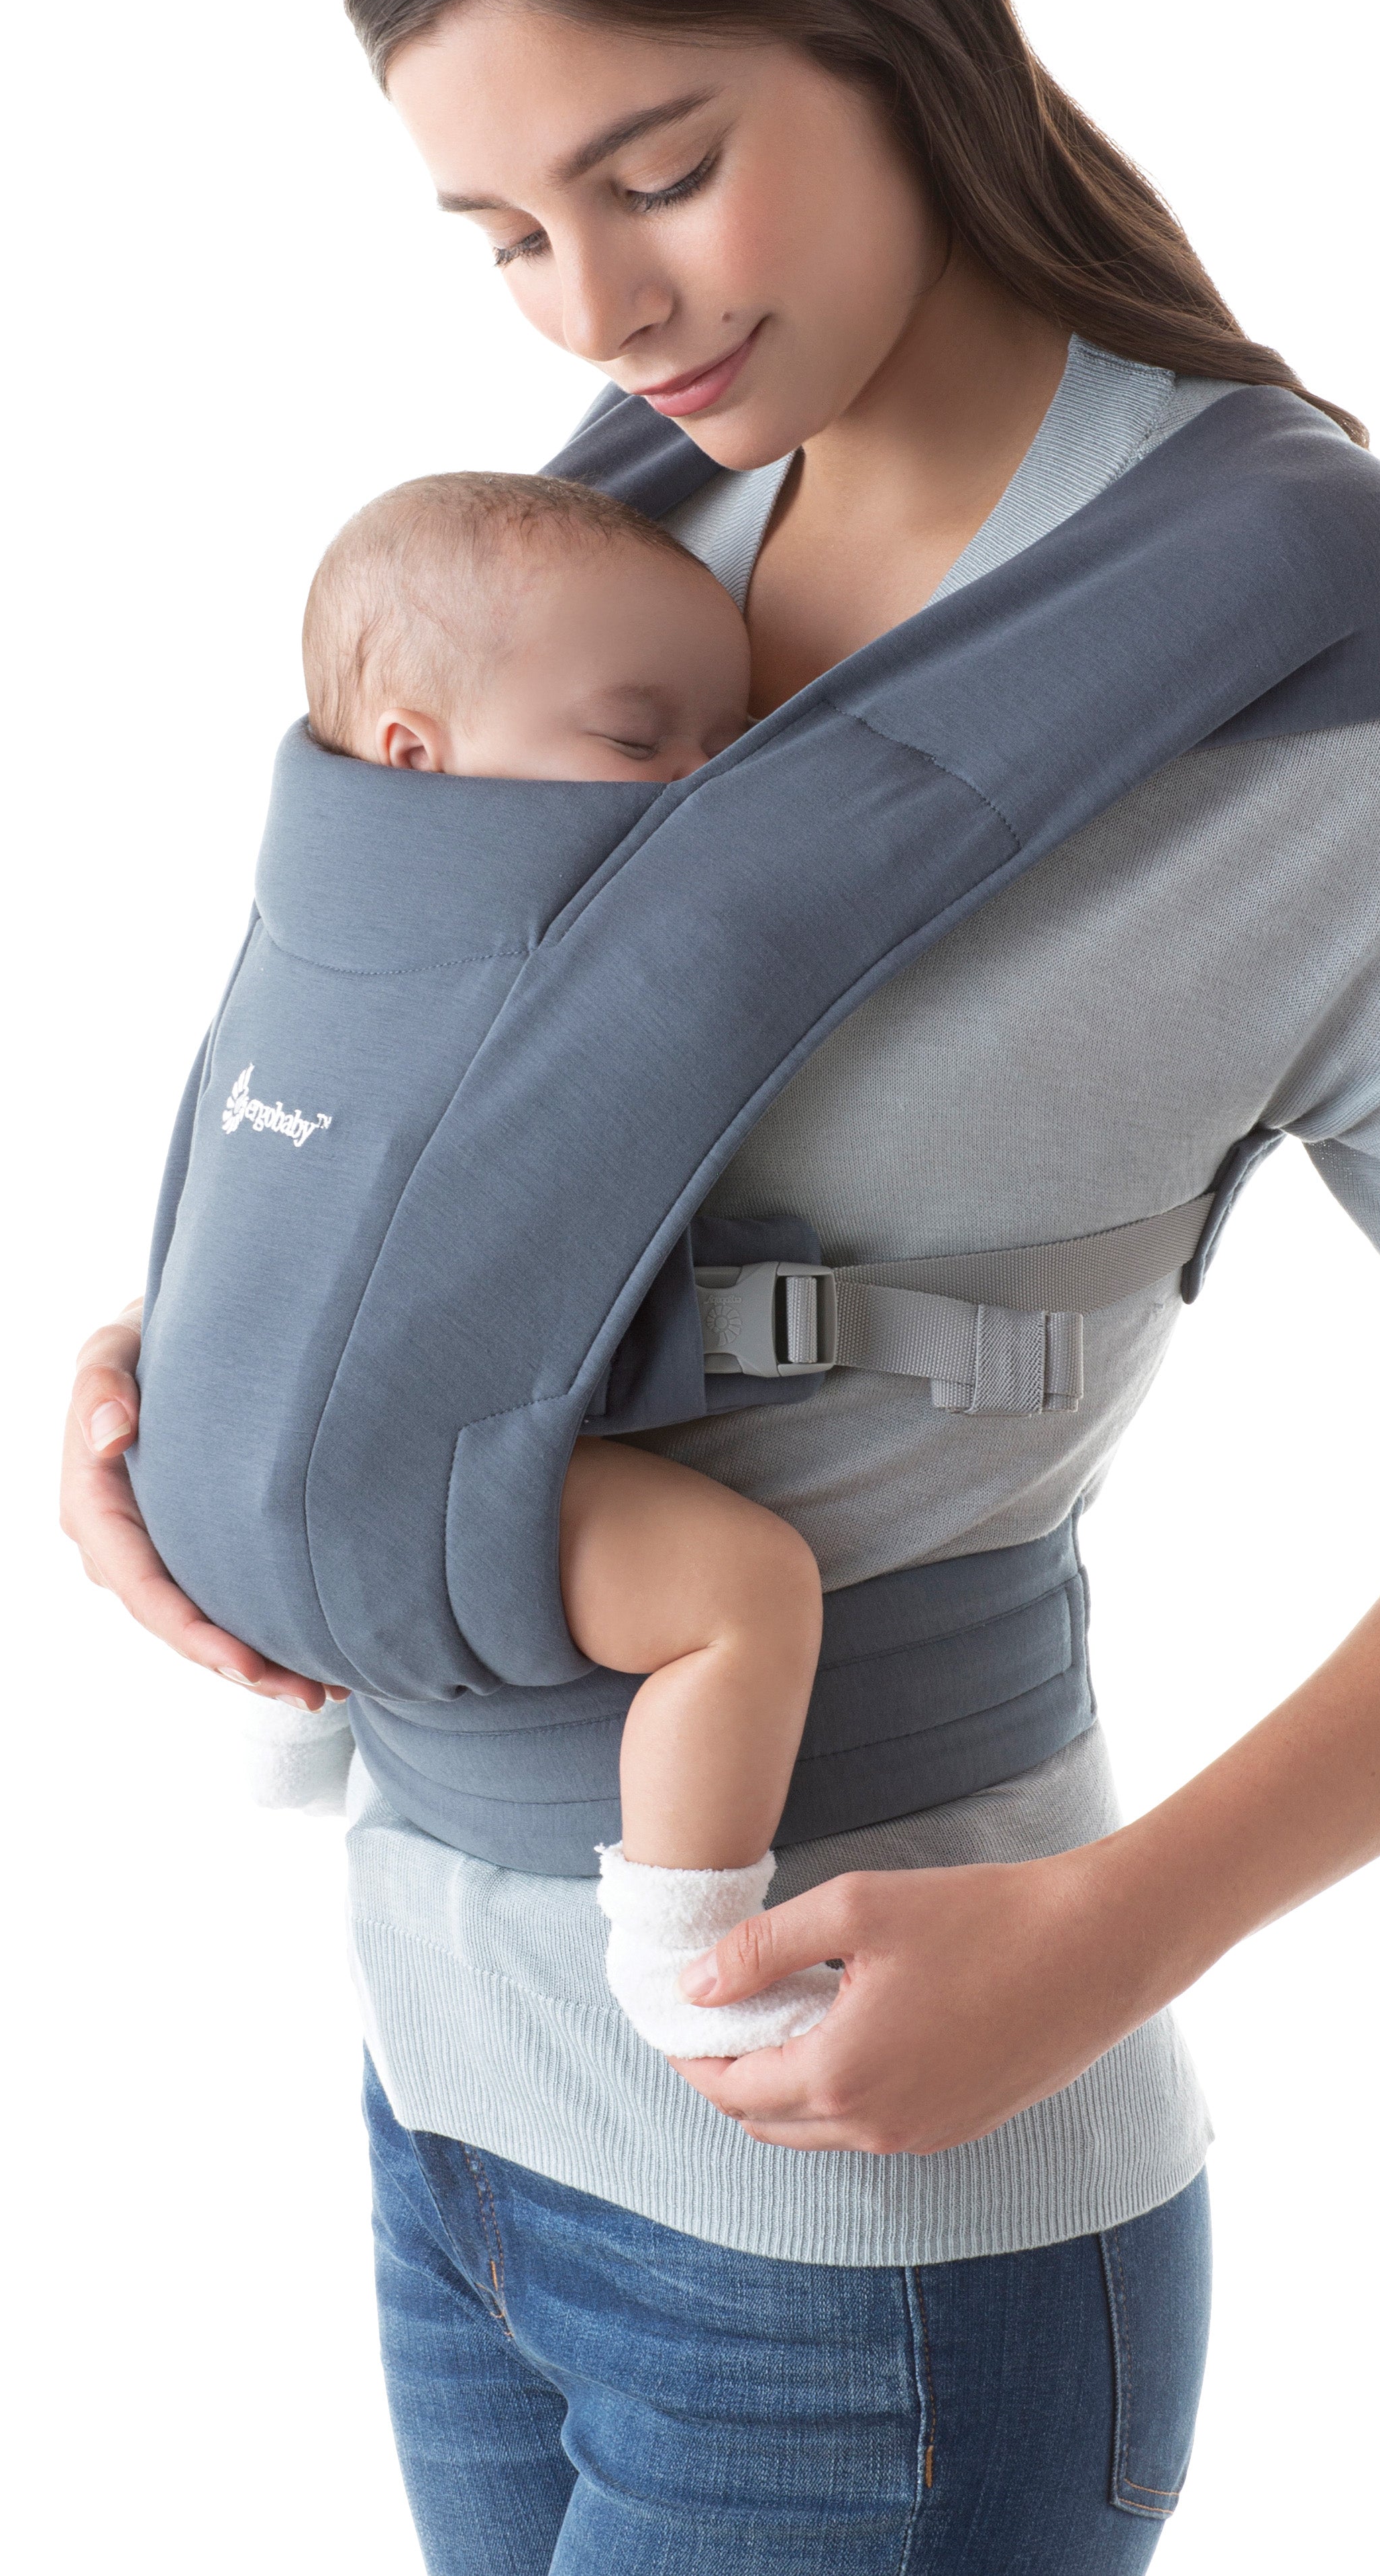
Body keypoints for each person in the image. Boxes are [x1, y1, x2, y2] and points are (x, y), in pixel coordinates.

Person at [59, 0, 1380, 2573]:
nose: (598, 304)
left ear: (900, 20)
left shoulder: (1302, 663)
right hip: (446, 2109)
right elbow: (478, 1163)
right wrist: (186, 1382)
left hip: (864, 2213)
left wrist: (1127, 1929)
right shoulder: (617, 538)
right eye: (500, 236)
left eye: (663, 170)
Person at [211, 465, 844, 2057]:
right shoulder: (538, 948)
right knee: (744, 1598)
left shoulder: (320, 920)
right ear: (415, 752)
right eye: (640, 742)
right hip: (372, 1508)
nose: (694, 788)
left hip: (209, 1479)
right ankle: (688, 1953)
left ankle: (299, 1699)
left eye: (726, 744)